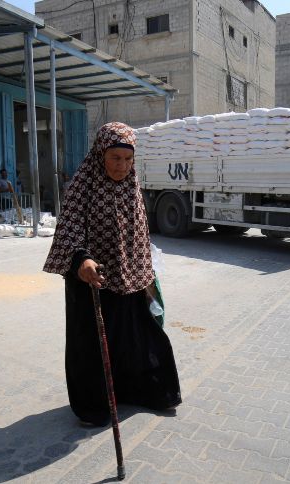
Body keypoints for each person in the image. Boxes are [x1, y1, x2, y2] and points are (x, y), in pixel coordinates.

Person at [43, 122, 181, 427]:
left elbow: (140, 234)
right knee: (92, 344)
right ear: (100, 155)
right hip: (91, 280)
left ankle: (141, 391)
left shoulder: (131, 186)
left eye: (127, 159)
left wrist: (146, 271)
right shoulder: (83, 184)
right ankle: (94, 406)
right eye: (115, 158)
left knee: (135, 337)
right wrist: (82, 258)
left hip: (130, 278)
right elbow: (70, 227)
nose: (122, 165)